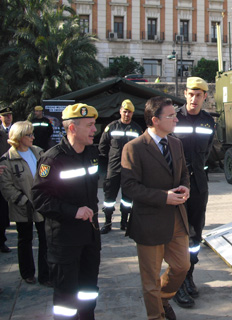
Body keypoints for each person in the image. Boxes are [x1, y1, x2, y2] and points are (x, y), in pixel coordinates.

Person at [121, 96, 190, 320]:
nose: (176, 120)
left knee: (182, 266)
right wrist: (163, 197)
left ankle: (163, 298)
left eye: (175, 115)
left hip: (176, 218)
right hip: (149, 222)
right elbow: (130, 187)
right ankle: (156, 316)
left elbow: (184, 174)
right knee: (150, 279)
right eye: (170, 116)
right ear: (155, 120)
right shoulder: (134, 148)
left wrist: (185, 189)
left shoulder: (176, 143)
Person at [32, 103, 101, 320]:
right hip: (64, 241)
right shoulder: (52, 159)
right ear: (72, 128)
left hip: (89, 237)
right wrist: (73, 211)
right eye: (89, 125)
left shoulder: (91, 154)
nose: (94, 130)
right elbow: (40, 199)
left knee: (88, 293)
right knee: (66, 300)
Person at [172, 77, 215, 308]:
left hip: (199, 185)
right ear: (185, 93)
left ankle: (189, 275)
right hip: (176, 185)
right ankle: (177, 283)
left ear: (205, 97)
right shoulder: (174, 118)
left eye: (199, 95)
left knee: (195, 234)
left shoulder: (209, 121)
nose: (194, 99)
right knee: (178, 234)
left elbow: (206, 152)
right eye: (190, 94)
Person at [0, 121, 50, 286]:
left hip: (41, 205)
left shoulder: (38, 152)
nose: (33, 137)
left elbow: (47, 173)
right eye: (29, 135)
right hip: (23, 208)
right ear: (19, 137)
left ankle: (45, 274)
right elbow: (6, 187)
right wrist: (23, 200)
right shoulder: (7, 160)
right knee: (25, 239)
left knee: (45, 239)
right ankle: (27, 273)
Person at [98, 99, 142, 234]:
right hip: (114, 168)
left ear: (132, 113)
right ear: (120, 111)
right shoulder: (111, 127)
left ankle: (124, 222)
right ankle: (108, 222)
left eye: (129, 112)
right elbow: (102, 147)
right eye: (125, 111)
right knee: (109, 198)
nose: (127, 114)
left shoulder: (137, 129)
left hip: (130, 170)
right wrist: (107, 164)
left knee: (127, 199)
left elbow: (141, 149)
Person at [0, 105, 13, 253]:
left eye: (10, 115)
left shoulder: (15, 130)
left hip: (13, 170)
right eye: (5, 115)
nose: (8, 117)